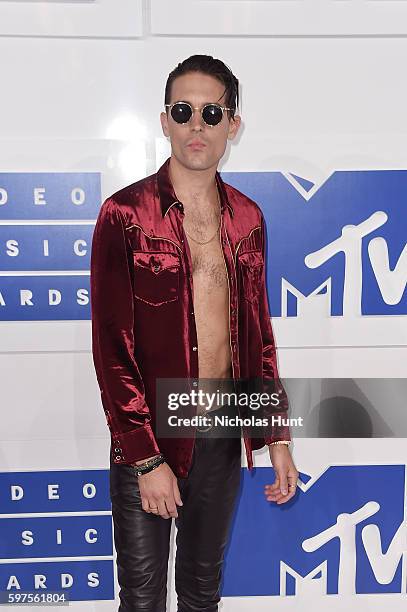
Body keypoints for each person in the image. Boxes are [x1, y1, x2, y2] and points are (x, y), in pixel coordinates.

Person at [90, 54, 299, 612]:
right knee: (141, 600)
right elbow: (111, 349)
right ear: (165, 121)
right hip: (149, 434)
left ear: (233, 124)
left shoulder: (249, 219)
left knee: (202, 596)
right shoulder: (125, 215)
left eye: (212, 111)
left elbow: (258, 337)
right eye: (184, 111)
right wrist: (145, 459)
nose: (197, 125)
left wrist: (275, 438)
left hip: (221, 430)